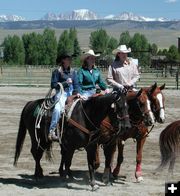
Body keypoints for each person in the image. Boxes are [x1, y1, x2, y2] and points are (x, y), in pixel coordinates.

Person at [48, 54, 80, 141]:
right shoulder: (57, 72)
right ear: (63, 60)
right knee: (58, 109)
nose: (70, 60)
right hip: (61, 93)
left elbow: (76, 85)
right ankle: (52, 130)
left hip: (71, 93)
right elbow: (53, 85)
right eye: (68, 59)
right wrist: (65, 83)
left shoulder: (74, 72)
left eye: (70, 59)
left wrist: (76, 93)